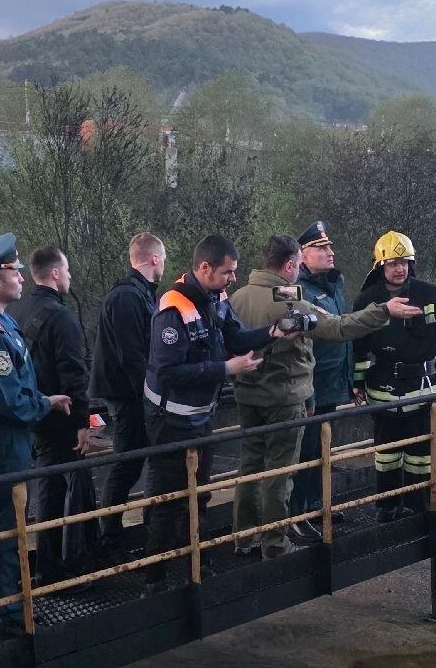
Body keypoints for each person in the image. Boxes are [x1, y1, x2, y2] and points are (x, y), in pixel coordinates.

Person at [228, 234, 417, 555]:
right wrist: (384, 310)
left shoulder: (238, 297)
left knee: (249, 468)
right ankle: (275, 544)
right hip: (285, 400)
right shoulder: (290, 300)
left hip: (247, 397)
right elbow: (339, 328)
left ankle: (243, 539)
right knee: (279, 475)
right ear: (291, 264)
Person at [141, 233, 289, 588]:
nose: (233, 278)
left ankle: (198, 563)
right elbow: (168, 371)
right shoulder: (173, 309)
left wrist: (272, 332)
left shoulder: (216, 297)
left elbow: (235, 337)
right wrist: (226, 369)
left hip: (200, 417)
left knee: (200, 493)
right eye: (227, 272)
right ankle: (155, 579)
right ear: (205, 268)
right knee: (167, 500)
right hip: (170, 421)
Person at [0, 233, 71, 638]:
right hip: (3, 438)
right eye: (14, 272)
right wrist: (44, 405)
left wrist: (42, 399)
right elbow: (10, 402)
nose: (22, 278)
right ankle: (7, 615)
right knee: (4, 529)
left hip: (1, 435)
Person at [352, 231, 436, 520]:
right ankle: (387, 507)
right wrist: (357, 383)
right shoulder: (367, 300)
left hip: (424, 392)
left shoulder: (428, 294)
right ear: (380, 267)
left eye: (404, 262)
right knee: (386, 455)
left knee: (421, 456)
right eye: (392, 263)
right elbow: (359, 346)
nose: (399, 269)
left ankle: (419, 509)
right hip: (384, 392)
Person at [8, 245, 96, 583]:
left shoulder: (16, 310)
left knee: (43, 488)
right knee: (58, 490)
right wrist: (82, 422)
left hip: (30, 415)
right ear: (55, 273)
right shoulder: (61, 317)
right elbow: (74, 372)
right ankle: (57, 565)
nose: (70, 276)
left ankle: (47, 562)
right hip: (60, 417)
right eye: (67, 269)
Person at [88, 232, 165, 550]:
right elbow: (131, 355)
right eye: (163, 259)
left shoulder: (138, 293)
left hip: (131, 391)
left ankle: (128, 526)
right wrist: (152, 393)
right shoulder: (127, 296)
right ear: (154, 259)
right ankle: (109, 532)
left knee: (137, 458)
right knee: (127, 460)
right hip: (126, 394)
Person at [286, 220, 359, 540]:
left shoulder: (334, 283)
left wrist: (351, 379)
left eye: (329, 247)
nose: (330, 253)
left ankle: (317, 503)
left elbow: (343, 331)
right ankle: (297, 513)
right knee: (306, 451)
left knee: (323, 449)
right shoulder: (297, 290)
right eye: (321, 248)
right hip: (311, 384)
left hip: (332, 382)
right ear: (303, 255)